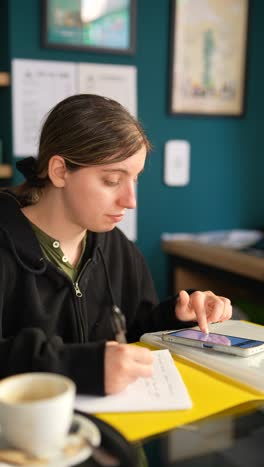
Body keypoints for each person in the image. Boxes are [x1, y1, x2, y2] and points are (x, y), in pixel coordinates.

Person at [0, 94, 232, 396]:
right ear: (59, 171)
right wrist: (82, 367)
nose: (130, 201)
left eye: (134, 179)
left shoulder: (116, 245)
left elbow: (136, 328)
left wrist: (177, 315)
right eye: (111, 180)